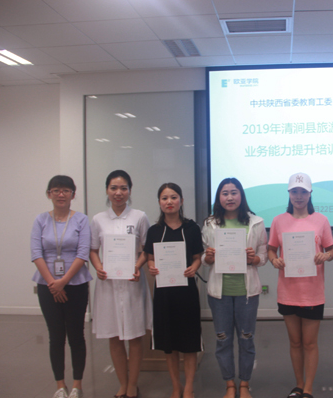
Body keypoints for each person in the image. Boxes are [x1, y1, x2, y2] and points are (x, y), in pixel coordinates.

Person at [267, 173, 333, 398]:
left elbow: (331, 250)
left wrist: (326, 256)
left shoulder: (321, 220)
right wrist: (274, 260)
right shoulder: (278, 220)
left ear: (310, 193)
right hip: (288, 291)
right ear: (289, 193)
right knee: (295, 342)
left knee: (310, 343)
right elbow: (271, 250)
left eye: (303, 192)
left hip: (312, 292)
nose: (299, 196)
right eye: (294, 191)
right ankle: (298, 385)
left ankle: (308, 389)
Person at [202, 178, 268, 398]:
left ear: (241, 195)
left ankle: (244, 384)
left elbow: (263, 256)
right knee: (223, 340)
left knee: (246, 339)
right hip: (219, 293)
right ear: (218, 197)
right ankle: (230, 384)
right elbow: (203, 256)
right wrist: (207, 257)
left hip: (246, 293)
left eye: (234, 192)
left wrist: (254, 258)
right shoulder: (210, 223)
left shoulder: (256, 222)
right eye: (225, 193)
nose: (229, 197)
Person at [89, 170, 152, 398]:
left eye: (123, 188)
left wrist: (137, 266)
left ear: (129, 191)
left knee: (135, 336)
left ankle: (133, 384)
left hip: (132, 282)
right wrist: (98, 267)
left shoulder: (139, 217)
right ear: (107, 190)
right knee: (114, 336)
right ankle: (122, 384)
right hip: (108, 285)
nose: (118, 192)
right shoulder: (98, 219)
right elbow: (93, 250)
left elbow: (146, 249)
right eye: (114, 188)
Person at [31, 175, 92, 398]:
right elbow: (36, 253)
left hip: (76, 284)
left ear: (73, 195)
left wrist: (63, 281)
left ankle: (77, 385)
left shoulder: (81, 220)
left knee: (76, 335)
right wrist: (53, 283)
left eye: (66, 190)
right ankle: (60, 386)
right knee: (55, 336)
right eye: (56, 190)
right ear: (49, 194)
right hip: (47, 285)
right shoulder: (40, 220)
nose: (61, 194)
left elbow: (83, 253)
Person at [144, 183, 204, 398]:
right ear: (159, 202)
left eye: (173, 197)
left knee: (189, 342)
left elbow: (197, 258)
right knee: (169, 344)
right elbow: (150, 258)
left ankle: (189, 387)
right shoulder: (154, 231)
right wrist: (151, 266)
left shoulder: (192, 228)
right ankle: (176, 387)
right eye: (164, 198)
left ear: (181, 200)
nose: (169, 202)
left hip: (186, 292)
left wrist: (194, 268)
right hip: (164, 293)